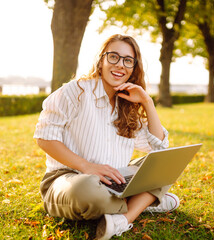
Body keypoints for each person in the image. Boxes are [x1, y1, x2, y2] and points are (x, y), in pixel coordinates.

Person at [34, 34, 180, 240]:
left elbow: (158, 148)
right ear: (101, 60)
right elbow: (44, 138)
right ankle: (145, 201)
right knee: (87, 192)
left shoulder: (128, 104)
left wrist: (147, 102)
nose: (120, 65)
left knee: (163, 165)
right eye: (113, 57)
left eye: (128, 60)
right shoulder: (75, 92)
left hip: (116, 181)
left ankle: (123, 218)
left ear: (134, 68)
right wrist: (87, 167)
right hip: (70, 180)